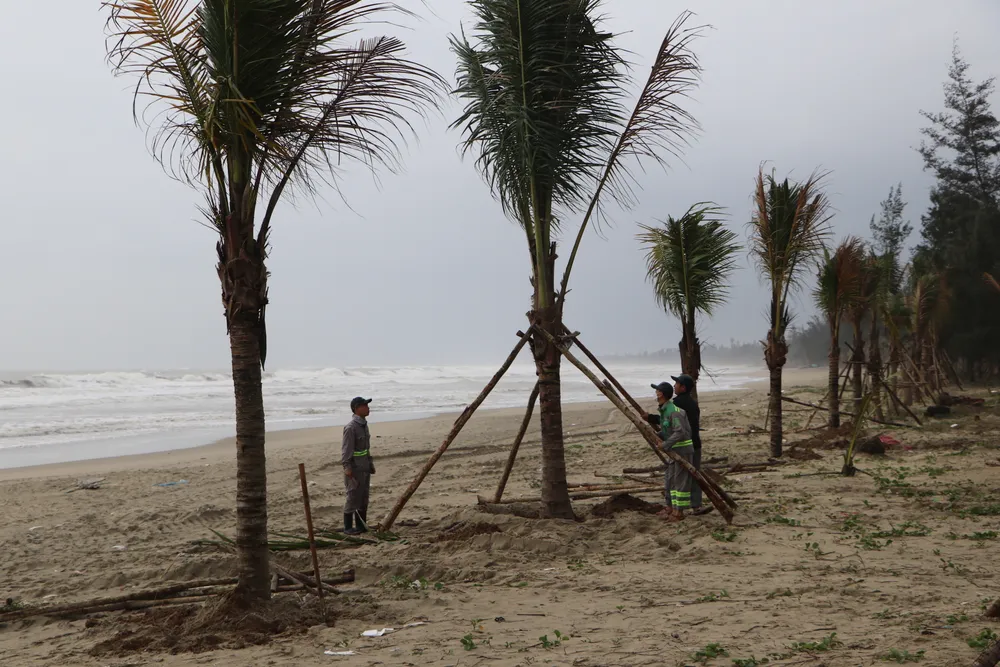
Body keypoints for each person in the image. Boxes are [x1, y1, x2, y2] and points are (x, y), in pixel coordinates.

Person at [648, 381, 695, 522]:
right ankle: (672, 508)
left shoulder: (674, 411)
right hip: (674, 450)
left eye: (657, 391)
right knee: (671, 480)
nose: (655, 393)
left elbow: (679, 432)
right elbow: (669, 430)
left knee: (680, 481)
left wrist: (665, 444)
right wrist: (659, 435)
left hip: (682, 450)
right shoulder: (665, 410)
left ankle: (678, 513)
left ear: (661, 393)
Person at [671, 374, 708, 515]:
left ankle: (677, 509)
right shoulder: (693, 403)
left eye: (677, 384)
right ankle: (696, 505)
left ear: (683, 387)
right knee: (695, 475)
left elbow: (672, 423)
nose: (674, 386)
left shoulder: (676, 404)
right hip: (696, 443)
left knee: (680, 477)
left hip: (684, 445)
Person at [342, 396, 375, 535]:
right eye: (364, 405)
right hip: (354, 469)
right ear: (356, 409)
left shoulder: (363, 425)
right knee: (353, 497)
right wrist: (347, 468)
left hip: (364, 467)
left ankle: (361, 526)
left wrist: (370, 464)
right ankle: (348, 528)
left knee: (363, 497)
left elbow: (366, 449)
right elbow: (346, 450)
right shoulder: (351, 428)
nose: (368, 408)